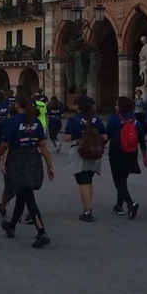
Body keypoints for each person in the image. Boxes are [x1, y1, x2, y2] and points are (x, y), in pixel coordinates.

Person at [0, 93, 56, 247]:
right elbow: (42, 145)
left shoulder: (13, 122)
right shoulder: (34, 121)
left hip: (17, 160)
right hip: (33, 159)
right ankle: (12, 226)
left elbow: (4, 144)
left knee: (27, 194)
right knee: (22, 193)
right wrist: (49, 166)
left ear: (17, 105)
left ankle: (41, 231)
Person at [63, 94, 105, 222]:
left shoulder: (73, 120)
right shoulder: (96, 120)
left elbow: (67, 138)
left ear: (79, 107)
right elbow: (105, 137)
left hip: (79, 152)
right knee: (89, 180)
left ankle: (87, 211)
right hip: (95, 152)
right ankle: (88, 207)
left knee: (83, 182)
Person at [107, 95, 147, 219]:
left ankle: (131, 203)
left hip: (116, 152)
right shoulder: (135, 120)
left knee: (118, 181)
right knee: (123, 179)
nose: (115, 106)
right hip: (131, 153)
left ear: (120, 106)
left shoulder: (114, 119)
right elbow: (141, 139)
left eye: (117, 104)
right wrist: (145, 156)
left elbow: (107, 134)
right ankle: (119, 205)